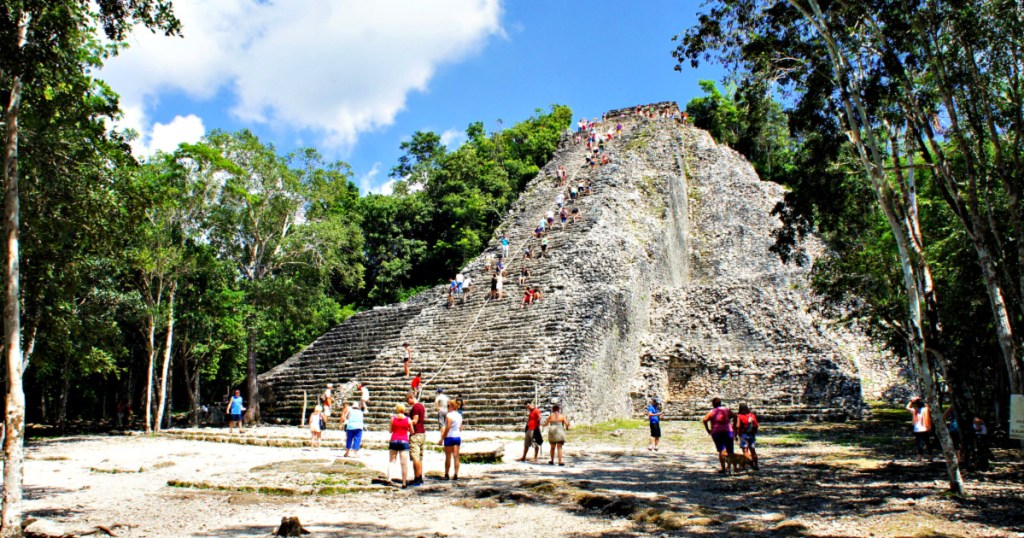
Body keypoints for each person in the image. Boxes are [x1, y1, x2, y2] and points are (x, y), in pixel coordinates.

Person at [702, 397, 735, 473]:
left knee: (721, 450)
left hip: (717, 432)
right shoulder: (726, 410)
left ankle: (723, 468)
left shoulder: (712, 411)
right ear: (720, 403)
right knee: (730, 450)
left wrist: (708, 430)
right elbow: (735, 416)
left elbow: (704, 420)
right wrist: (734, 426)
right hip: (728, 431)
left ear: (713, 404)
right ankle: (730, 467)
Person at [387, 404, 412, 488]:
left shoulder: (393, 419)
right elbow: (412, 431)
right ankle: (404, 482)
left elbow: (390, 430)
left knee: (392, 461)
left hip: (394, 440)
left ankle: (389, 479)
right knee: (403, 463)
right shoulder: (408, 419)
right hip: (404, 440)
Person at [407, 392, 427, 486]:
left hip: (416, 433)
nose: (408, 403)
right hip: (422, 433)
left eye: (408, 400)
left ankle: (417, 478)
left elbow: (415, 421)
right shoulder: (421, 406)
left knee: (415, 457)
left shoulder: (415, 407)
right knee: (419, 457)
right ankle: (420, 476)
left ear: (411, 397)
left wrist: (405, 422)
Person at [439, 400, 463, 480]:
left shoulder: (449, 415)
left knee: (448, 457)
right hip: (457, 436)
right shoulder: (459, 415)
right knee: (456, 457)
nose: (447, 407)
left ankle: (447, 474)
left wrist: (442, 438)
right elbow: (460, 427)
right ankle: (456, 474)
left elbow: (448, 427)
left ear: (453, 407)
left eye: (449, 406)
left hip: (449, 437)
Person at [907, 397, 935, 461]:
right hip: (925, 428)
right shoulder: (926, 410)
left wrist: (911, 401)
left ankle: (919, 457)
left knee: (919, 443)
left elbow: (907, 407)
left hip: (917, 429)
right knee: (927, 443)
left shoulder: (914, 410)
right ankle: (930, 457)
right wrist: (925, 402)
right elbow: (929, 406)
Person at [735, 403, 759, 470]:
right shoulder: (752, 415)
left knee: (745, 450)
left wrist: (737, 434)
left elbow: (738, 426)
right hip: (752, 434)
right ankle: (756, 465)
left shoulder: (739, 416)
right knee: (753, 450)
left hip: (744, 434)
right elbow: (756, 425)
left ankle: (746, 466)